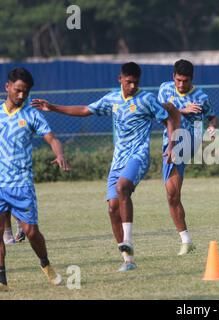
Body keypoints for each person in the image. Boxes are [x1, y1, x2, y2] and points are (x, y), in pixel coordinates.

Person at [32, 62, 178, 271]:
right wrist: (52, 107)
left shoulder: (147, 99)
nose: (132, 86)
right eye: (129, 82)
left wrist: (171, 145)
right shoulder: (112, 99)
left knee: (122, 188)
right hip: (117, 160)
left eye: (136, 82)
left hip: (138, 156)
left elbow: (168, 120)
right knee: (112, 208)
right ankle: (128, 261)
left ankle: (128, 239)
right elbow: (84, 110)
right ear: (120, 79)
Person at [0, 67, 70, 292]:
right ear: (7, 87)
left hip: (21, 184)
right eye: (18, 91)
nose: (21, 96)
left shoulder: (31, 114)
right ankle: (2, 280)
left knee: (31, 231)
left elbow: (51, 138)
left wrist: (59, 154)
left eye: (26, 92)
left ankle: (45, 263)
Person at [158, 59, 217, 255]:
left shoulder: (201, 96)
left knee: (172, 190)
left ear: (192, 79)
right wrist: (181, 110)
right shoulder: (165, 89)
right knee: (171, 195)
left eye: (185, 81)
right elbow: (159, 112)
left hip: (190, 140)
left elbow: (212, 116)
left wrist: (212, 127)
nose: (181, 85)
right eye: (178, 80)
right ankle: (186, 241)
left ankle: (173, 152)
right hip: (170, 142)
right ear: (173, 77)